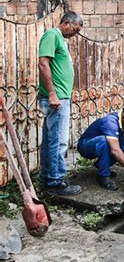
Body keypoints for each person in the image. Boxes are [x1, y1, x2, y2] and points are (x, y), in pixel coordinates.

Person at [38, 11, 83, 196]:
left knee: (50, 140)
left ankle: (47, 177)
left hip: (59, 97)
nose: (76, 33)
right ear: (65, 23)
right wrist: (52, 94)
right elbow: (43, 63)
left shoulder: (61, 40)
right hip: (56, 99)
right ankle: (55, 181)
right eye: (75, 29)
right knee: (58, 141)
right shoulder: (51, 35)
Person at [77, 105, 124, 190]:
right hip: (86, 146)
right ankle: (103, 176)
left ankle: (101, 165)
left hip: (104, 144)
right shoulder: (110, 122)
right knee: (104, 141)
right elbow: (115, 150)